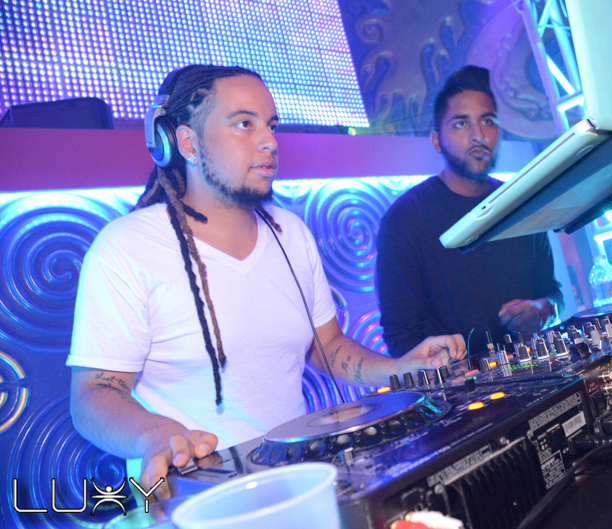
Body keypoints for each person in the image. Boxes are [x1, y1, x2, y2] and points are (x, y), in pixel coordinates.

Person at [67, 65, 465, 500]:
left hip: (301, 484)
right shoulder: (126, 247)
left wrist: (400, 368)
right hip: (196, 499)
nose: (269, 141)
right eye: (244, 124)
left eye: (271, 126)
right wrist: (154, 434)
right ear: (187, 143)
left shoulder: (290, 231)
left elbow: (327, 346)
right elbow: (92, 395)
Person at [376, 65, 564, 358]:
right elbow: (400, 335)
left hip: (537, 368)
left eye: (487, 121)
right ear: (436, 140)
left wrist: (543, 310)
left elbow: (553, 294)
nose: (479, 135)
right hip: (459, 384)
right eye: (461, 124)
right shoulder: (405, 219)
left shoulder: (520, 202)